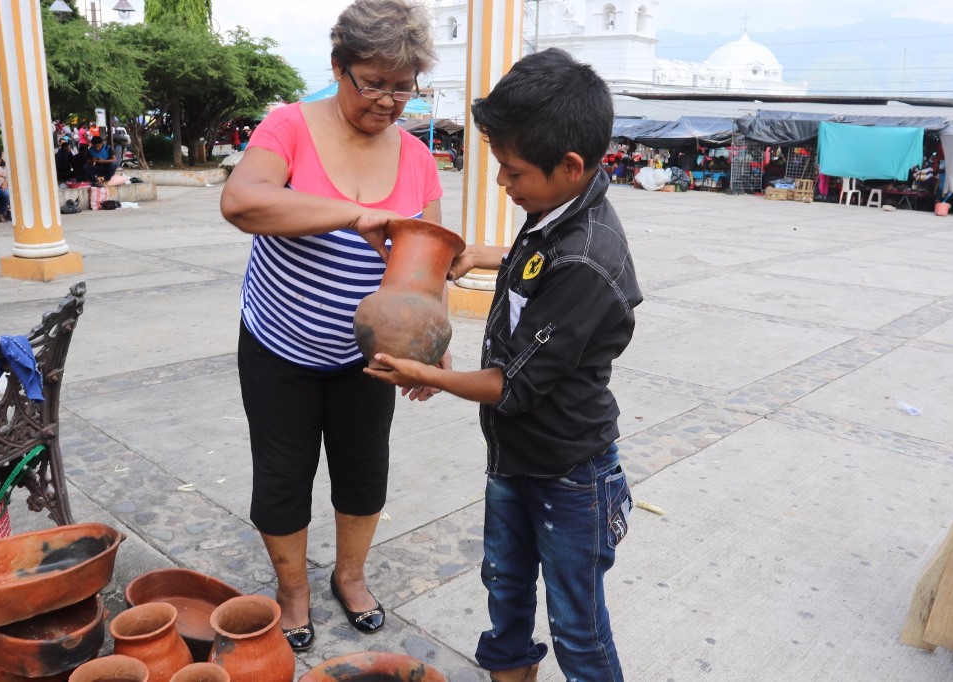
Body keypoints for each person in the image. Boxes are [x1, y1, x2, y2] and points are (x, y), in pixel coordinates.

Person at [364, 48, 641, 682]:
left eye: (511, 173)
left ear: (570, 166)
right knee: (506, 594)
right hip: (514, 458)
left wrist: (424, 373)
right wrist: (483, 254)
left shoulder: (588, 262)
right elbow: (533, 262)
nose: (502, 184)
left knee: (577, 625)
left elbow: (509, 386)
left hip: (571, 475)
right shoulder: (552, 212)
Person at [219, 0, 441, 654]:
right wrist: (352, 215)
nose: (388, 100)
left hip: (364, 356)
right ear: (338, 68)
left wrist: (427, 349)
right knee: (283, 476)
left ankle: (350, 575)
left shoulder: (418, 159)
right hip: (278, 344)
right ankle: (293, 590)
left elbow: (426, 267)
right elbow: (242, 201)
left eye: (403, 87)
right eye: (372, 82)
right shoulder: (289, 126)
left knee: (363, 470)